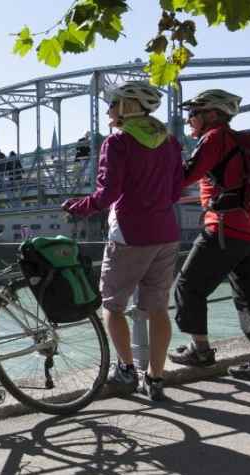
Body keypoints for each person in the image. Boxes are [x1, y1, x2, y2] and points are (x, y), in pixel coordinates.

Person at [61, 81, 184, 401]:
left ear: (128, 106)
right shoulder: (169, 141)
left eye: (114, 104)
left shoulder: (118, 142)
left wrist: (78, 207)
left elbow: (107, 194)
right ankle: (155, 379)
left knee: (112, 305)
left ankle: (126, 369)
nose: (108, 111)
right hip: (167, 233)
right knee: (158, 309)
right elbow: (174, 192)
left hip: (130, 235)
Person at [169, 89, 250, 384]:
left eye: (193, 112)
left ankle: (199, 350)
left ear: (212, 114)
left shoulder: (215, 138)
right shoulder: (237, 141)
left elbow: (184, 176)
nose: (188, 118)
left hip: (224, 228)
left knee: (187, 285)